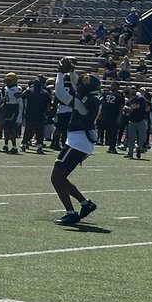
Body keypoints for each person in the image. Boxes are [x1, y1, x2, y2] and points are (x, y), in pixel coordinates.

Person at [51, 71, 100, 226]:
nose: (77, 86)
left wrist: (60, 73)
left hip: (78, 141)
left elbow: (60, 94)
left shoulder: (84, 100)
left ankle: (71, 213)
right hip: (81, 140)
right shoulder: (90, 98)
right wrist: (71, 71)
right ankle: (85, 204)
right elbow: (77, 85)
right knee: (61, 176)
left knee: (56, 177)